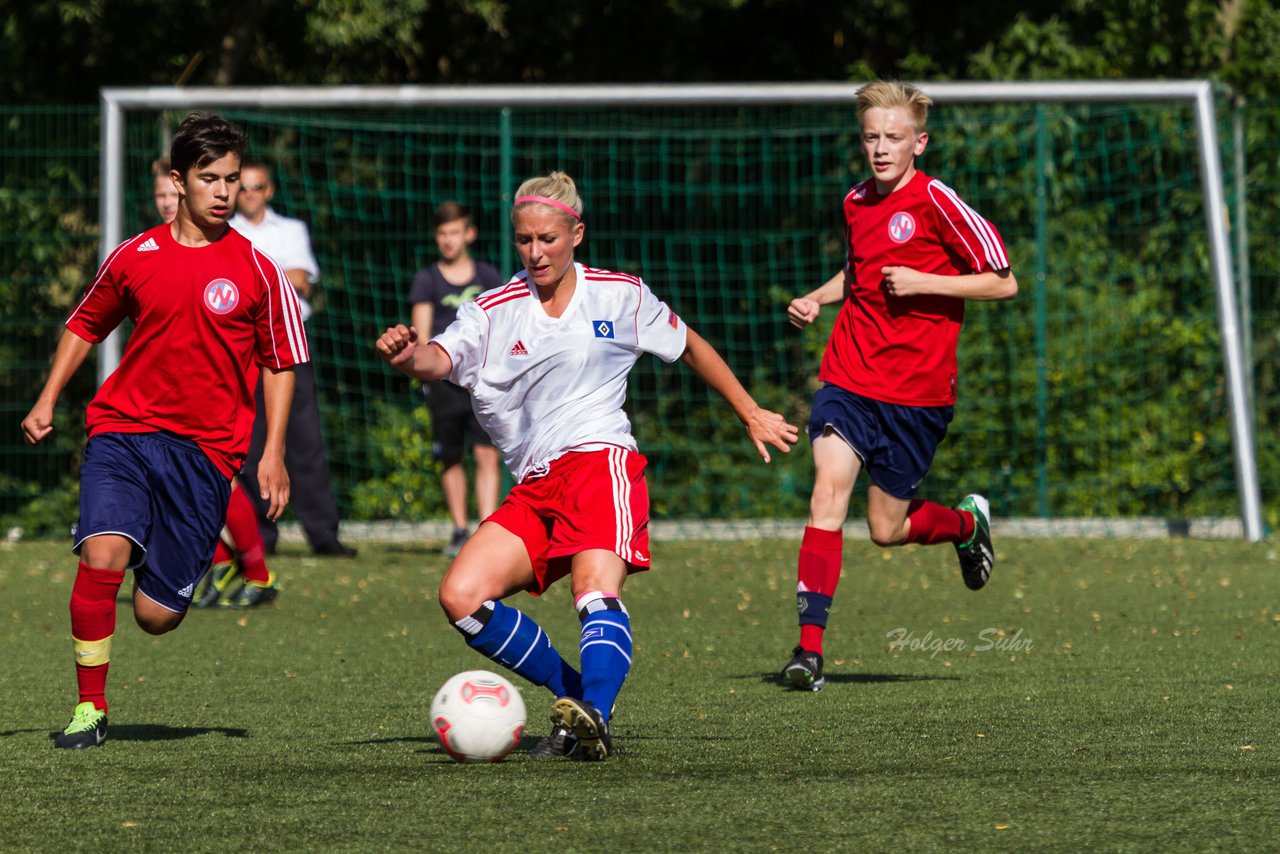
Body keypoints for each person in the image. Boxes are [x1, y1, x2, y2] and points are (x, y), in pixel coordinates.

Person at [376, 172, 798, 760]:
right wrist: (406, 357)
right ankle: (579, 699)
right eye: (523, 240)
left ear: (577, 234)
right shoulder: (492, 310)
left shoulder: (620, 295)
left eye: (547, 238)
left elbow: (691, 345)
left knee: (593, 590)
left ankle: (594, 709)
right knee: (461, 595)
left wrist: (749, 411)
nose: (535, 251)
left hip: (602, 461)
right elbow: (436, 359)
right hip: (536, 485)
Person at [21, 113, 307, 748]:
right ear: (179, 181)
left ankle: (153, 544)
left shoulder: (259, 271)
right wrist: (47, 399)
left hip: (206, 456)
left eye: (233, 179)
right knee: (102, 556)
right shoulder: (136, 255)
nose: (224, 192)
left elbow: (282, 361)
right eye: (210, 179)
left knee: (155, 617)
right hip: (122, 432)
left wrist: (275, 453)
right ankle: (89, 710)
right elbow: (85, 323)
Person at [780, 80, 1018, 692]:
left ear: (920, 141)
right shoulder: (856, 200)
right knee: (827, 495)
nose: (881, 148)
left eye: (893, 137)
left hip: (918, 394)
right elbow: (860, 271)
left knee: (886, 529)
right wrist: (816, 296)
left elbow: (1002, 282)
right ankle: (808, 653)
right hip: (850, 376)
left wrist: (924, 283)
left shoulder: (939, 201)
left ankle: (966, 526)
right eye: (871, 137)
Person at [152, 157, 279, 609]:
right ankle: (220, 562)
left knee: (217, 479)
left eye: (173, 197)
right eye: (161, 198)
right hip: (169, 392)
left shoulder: (231, 249)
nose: (168, 204)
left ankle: (258, 573)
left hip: (218, 393)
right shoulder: (153, 251)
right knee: (176, 485)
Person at [229, 161, 356, 558]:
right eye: (242, 186)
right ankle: (259, 537)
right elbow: (285, 279)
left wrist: (257, 277)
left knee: (305, 440)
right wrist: (280, 275)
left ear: (269, 190)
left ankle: (323, 534)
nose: (249, 193)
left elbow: (302, 278)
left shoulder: (292, 230)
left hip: (290, 343)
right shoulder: (226, 232)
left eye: (256, 186)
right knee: (251, 445)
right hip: (246, 347)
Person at [408, 201, 504, 556]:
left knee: (486, 454)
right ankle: (460, 530)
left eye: (454, 232)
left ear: (470, 234)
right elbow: (420, 337)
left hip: (482, 381)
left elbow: (501, 325)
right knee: (450, 457)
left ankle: (488, 530)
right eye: (442, 234)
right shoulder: (427, 279)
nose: (448, 240)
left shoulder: (488, 277)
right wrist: (425, 371)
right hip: (444, 384)